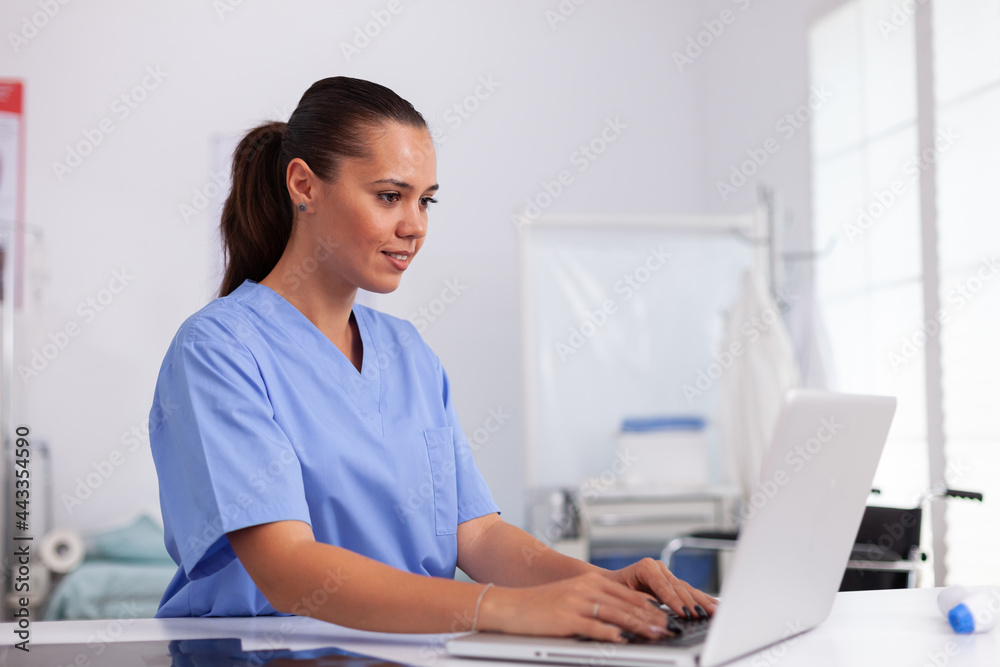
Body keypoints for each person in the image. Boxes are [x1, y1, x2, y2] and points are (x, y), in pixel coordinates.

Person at [149, 76, 716, 643]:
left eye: (426, 200)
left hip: (411, 653)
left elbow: (478, 536)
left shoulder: (406, 353)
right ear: (305, 185)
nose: (415, 226)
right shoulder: (220, 351)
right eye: (389, 196)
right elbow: (288, 569)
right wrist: (502, 610)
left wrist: (602, 587)